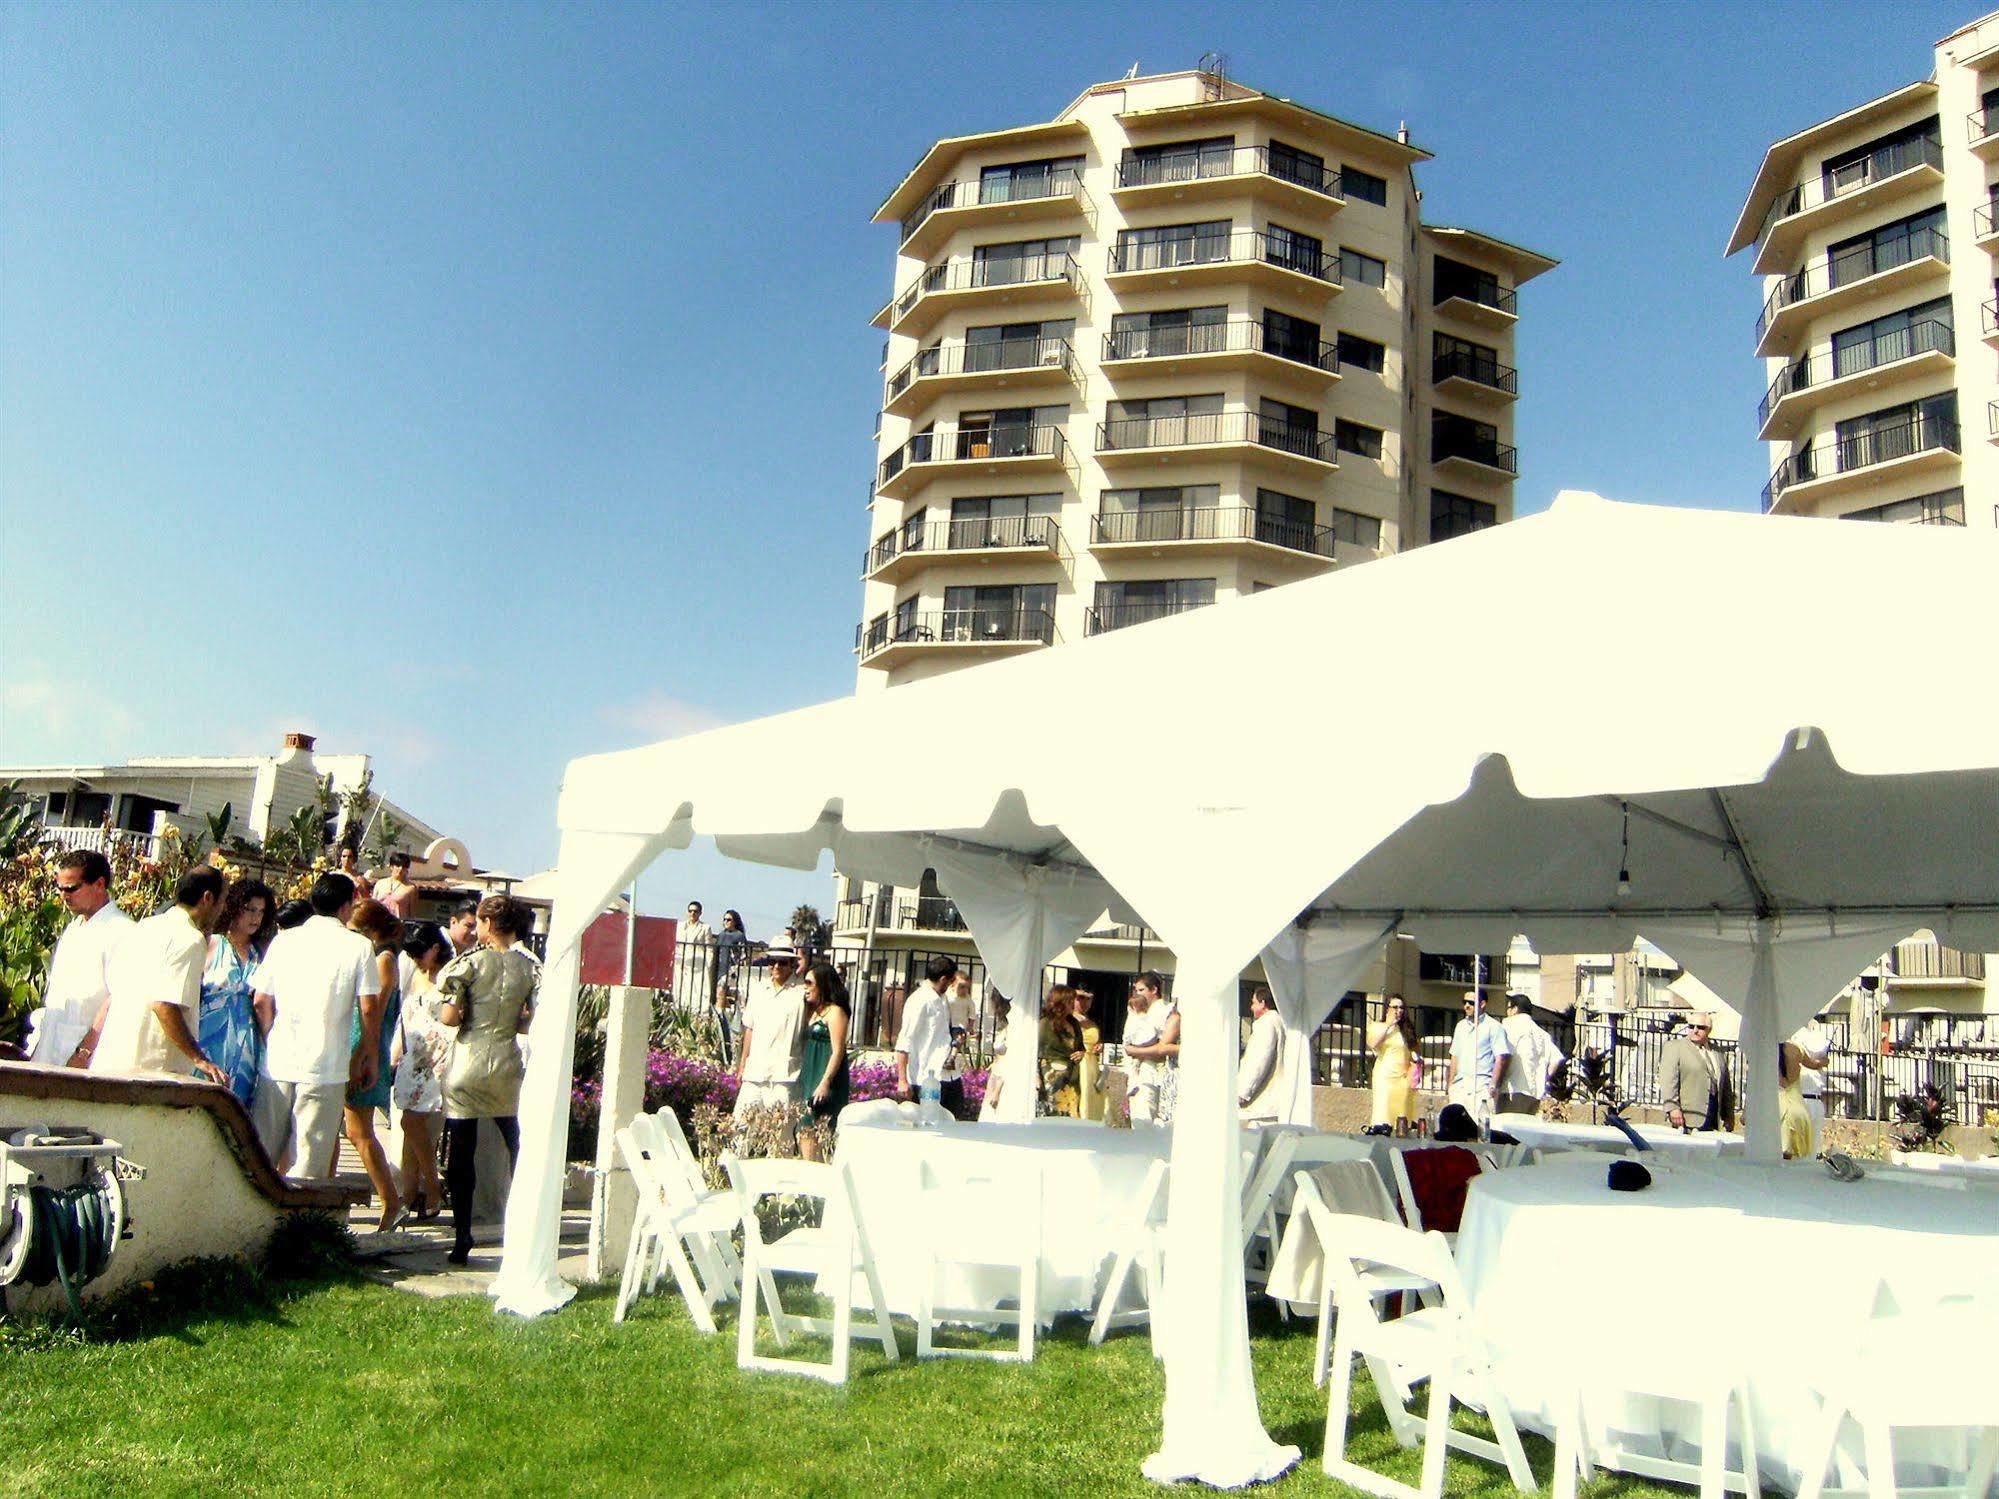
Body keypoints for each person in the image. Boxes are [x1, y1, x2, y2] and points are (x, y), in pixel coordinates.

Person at [253, 873, 381, 1181]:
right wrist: (368, 1053)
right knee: (308, 1163)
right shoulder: (359, 947)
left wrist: (272, 1036)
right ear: (347, 906)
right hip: (326, 1065)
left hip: (279, 1061)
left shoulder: (283, 940)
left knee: (259, 1158)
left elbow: (261, 1001)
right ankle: (297, 1227)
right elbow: (368, 1006)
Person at [435, 894, 539, 1264]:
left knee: (462, 1154)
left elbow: (448, 1017)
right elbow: (532, 1021)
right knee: (518, 1146)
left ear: (489, 925)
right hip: (507, 1062)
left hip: (468, 1062)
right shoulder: (530, 967)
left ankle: (462, 1235)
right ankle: (528, 1228)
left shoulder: (468, 964)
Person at [84, 866, 229, 1085]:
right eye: (223, 900)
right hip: (150, 1075)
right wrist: (200, 1059)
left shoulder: (145, 926)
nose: (223, 908)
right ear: (207, 898)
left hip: (111, 1062)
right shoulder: (190, 939)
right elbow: (164, 1006)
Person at [27, 849, 132, 1066]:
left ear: (99, 884)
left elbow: (119, 997)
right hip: (49, 1049)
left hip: (87, 1056)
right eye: (60, 889)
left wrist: (85, 1051)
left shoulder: (122, 930)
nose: (65, 896)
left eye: (72, 888)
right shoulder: (74, 927)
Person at [343, 899, 405, 1231]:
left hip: (367, 1049)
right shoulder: (377, 958)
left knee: (360, 1132)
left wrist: (362, 1056)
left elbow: (375, 1014)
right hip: (362, 1047)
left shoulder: (383, 960)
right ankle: (389, 1201)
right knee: (355, 1131)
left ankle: (390, 1201)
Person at [390, 919, 451, 1220]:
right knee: (411, 1127)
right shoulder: (416, 976)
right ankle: (411, 1192)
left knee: (415, 1125)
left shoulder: (450, 977)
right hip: (413, 1056)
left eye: (419, 954)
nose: (415, 960)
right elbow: (407, 1017)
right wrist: (396, 1053)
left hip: (439, 1057)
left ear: (435, 949)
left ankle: (430, 1185)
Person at [198, 877, 276, 1108]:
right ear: (234, 907)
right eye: (250, 909)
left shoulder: (261, 954)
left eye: (261, 911)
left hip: (248, 1044)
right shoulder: (212, 944)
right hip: (209, 1039)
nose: (256, 917)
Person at [732, 941, 806, 1118]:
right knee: (740, 1128)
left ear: (792, 964)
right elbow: (749, 1029)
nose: (777, 966)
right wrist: (742, 1065)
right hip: (755, 1072)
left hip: (785, 1076)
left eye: (782, 962)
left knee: (781, 1136)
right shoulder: (758, 990)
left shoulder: (802, 993)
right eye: (772, 962)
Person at [894, 954, 960, 1112]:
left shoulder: (943, 998)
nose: (952, 986)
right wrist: (902, 1080)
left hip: (948, 1073)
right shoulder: (919, 1001)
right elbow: (904, 1041)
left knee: (954, 1118)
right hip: (925, 1076)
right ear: (944, 979)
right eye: (951, 981)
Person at [1656, 1012, 1736, 1133]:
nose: (1695, 1030)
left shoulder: (1717, 1052)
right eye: (1691, 1026)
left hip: (1712, 1116)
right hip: (1687, 1117)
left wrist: (1728, 1115)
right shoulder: (1675, 1047)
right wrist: (1672, 1108)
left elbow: (1726, 1087)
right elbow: (1668, 1081)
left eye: (1700, 1027)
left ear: (1709, 1030)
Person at [797, 961, 852, 1125]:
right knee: (805, 1126)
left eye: (809, 983)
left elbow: (838, 1051)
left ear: (822, 985)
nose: (805, 988)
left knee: (820, 1124)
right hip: (809, 1073)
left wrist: (825, 1082)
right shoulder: (812, 1011)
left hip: (826, 1075)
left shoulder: (835, 1012)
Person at [1446, 991, 1511, 1126]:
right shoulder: (1461, 1026)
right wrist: (1450, 1085)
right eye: (1464, 1002)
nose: (1467, 1006)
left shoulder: (1494, 1027)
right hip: (1460, 1088)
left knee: (1480, 1131)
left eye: (1471, 1003)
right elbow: (1454, 1056)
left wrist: (1493, 1085)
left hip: (1481, 1088)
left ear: (1482, 1004)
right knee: (1454, 1130)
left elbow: (1501, 1057)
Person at [1122, 971, 1180, 1125]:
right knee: (1137, 1114)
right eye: (1136, 990)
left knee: (1145, 1115)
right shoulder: (1139, 1011)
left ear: (1154, 990)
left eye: (1141, 990)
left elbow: (1162, 1046)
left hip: (1153, 1070)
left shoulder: (1165, 1010)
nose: (1138, 994)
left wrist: (1134, 1050)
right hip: (1139, 1069)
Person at [1498, 993, 1562, 1116]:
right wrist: (1544, 1077)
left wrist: (1497, 1082)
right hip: (1534, 1093)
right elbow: (1556, 1059)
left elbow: (1504, 1055)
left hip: (1512, 1089)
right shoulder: (1541, 1033)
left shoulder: (1509, 1025)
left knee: (1506, 1131)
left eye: (1508, 1008)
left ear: (1514, 1009)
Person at [1367, 994, 1422, 1135]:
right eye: (1395, 1007)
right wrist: (1389, 1025)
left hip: (1403, 1079)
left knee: (1402, 1116)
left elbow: (1415, 1051)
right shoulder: (1378, 1026)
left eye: (1401, 1007)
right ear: (1388, 1009)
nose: (1399, 1010)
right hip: (1384, 1076)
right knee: (1384, 1112)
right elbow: (1373, 1043)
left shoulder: (1406, 1029)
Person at [1237, 985, 1284, 1124]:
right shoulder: (1280, 1022)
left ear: (1263, 1003)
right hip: (1272, 1101)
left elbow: (1259, 1060)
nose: (1251, 1007)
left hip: (1261, 1103)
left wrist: (1243, 1093)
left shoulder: (1267, 1024)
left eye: (1253, 1003)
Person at [1038, 986, 1085, 1116]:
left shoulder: (1074, 1022)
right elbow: (1036, 1051)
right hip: (1052, 1077)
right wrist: (1037, 1078)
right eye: (1070, 1001)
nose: (1073, 1005)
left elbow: (1081, 1047)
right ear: (1061, 1002)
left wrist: (1081, 1054)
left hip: (1072, 1076)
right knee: (1054, 1113)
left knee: (1072, 1115)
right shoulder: (1045, 1023)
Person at [1790, 1014, 1831, 1143]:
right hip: (1811, 1100)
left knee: (1799, 1149)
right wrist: (1821, 1062)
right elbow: (1813, 1063)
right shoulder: (1815, 1039)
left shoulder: (1796, 1039)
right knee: (1811, 1148)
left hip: (1802, 1099)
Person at [1072, 987, 1106, 1121]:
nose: (1084, 1003)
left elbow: (1095, 1040)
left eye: (1088, 999)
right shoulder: (1068, 1018)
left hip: (1092, 1063)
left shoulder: (1092, 1021)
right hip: (1079, 1062)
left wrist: (1099, 1046)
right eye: (1080, 998)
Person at [979, 994, 1014, 1122]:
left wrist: (997, 1091)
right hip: (996, 1074)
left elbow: (1011, 1061)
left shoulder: (1013, 1029)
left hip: (1003, 1079)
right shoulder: (1005, 1027)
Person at [1777, 1040, 1813, 1160]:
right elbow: (1814, 1064)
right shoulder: (1797, 1049)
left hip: (1780, 1111)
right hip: (1799, 1110)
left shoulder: (1767, 1054)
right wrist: (1824, 1061)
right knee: (1795, 1160)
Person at [675, 900, 714, 1010]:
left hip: (698, 962)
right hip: (682, 962)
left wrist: (708, 963)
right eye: (690, 911)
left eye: (695, 911)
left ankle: (699, 1011)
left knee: (698, 989)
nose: (692, 913)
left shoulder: (705, 928)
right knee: (681, 988)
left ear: (700, 913)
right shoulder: (680, 926)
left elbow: (709, 947)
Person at [371, 851, 418, 918]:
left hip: (398, 925)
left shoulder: (411, 888)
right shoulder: (380, 883)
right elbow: (372, 906)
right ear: (391, 867)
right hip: (379, 924)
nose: (400, 869)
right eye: (398, 866)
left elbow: (412, 915)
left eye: (404, 867)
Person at [714, 909, 748, 1000]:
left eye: (729, 920)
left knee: (723, 992)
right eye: (724, 919)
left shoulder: (739, 935)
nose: (726, 922)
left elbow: (743, 953)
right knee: (720, 993)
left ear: (735, 922)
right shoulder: (721, 935)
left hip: (731, 969)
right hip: (720, 968)